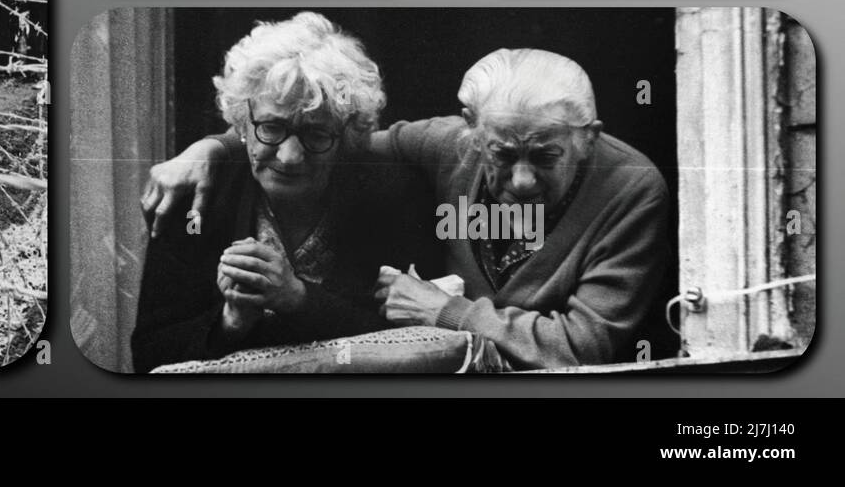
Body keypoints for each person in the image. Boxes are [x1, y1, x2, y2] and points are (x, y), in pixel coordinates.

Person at [142, 47, 670, 370]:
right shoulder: (448, 145)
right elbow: (320, 138)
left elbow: (585, 348)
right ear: (471, 129)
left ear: (588, 139)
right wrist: (213, 148)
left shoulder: (631, 188)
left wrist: (447, 313)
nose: (523, 181)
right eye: (502, 155)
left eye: (547, 156)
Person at [131, 13, 441, 373]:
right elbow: (149, 356)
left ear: (347, 136)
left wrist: (299, 299)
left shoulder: (392, 197)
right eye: (272, 128)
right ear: (242, 123)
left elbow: (421, 342)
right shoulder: (196, 201)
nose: (290, 157)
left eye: (317, 134)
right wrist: (230, 324)